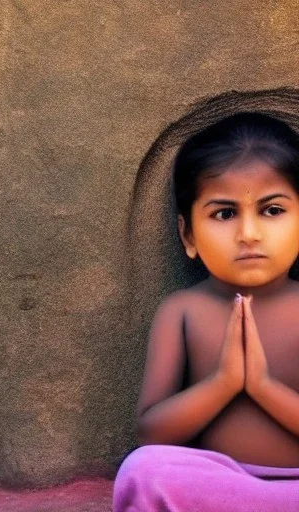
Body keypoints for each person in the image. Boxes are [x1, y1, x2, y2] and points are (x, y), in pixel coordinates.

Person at [113, 112, 299, 511]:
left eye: (272, 210)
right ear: (188, 235)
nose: (248, 233)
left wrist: (263, 386)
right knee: (143, 470)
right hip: (215, 486)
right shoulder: (183, 310)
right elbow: (151, 434)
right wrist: (224, 382)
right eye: (225, 213)